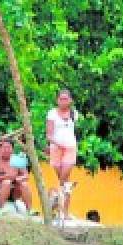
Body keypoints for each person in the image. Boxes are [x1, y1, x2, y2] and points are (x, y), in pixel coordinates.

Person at [46, 89, 79, 218]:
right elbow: (49, 134)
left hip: (70, 148)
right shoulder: (52, 113)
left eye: (66, 99)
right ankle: (61, 209)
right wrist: (57, 144)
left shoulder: (74, 113)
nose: (63, 101)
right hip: (56, 148)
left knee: (64, 179)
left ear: (70, 100)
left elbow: (73, 131)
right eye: (61, 99)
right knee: (65, 183)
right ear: (57, 100)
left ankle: (63, 210)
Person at [0, 138, 32, 211]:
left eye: (9, 147)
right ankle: (1, 208)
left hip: (15, 191)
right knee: (7, 182)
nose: (6, 150)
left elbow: (26, 175)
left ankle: (29, 210)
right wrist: (7, 177)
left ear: (12, 149)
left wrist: (18, 179)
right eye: (4, 147)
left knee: (24, 184)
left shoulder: (17, 159)